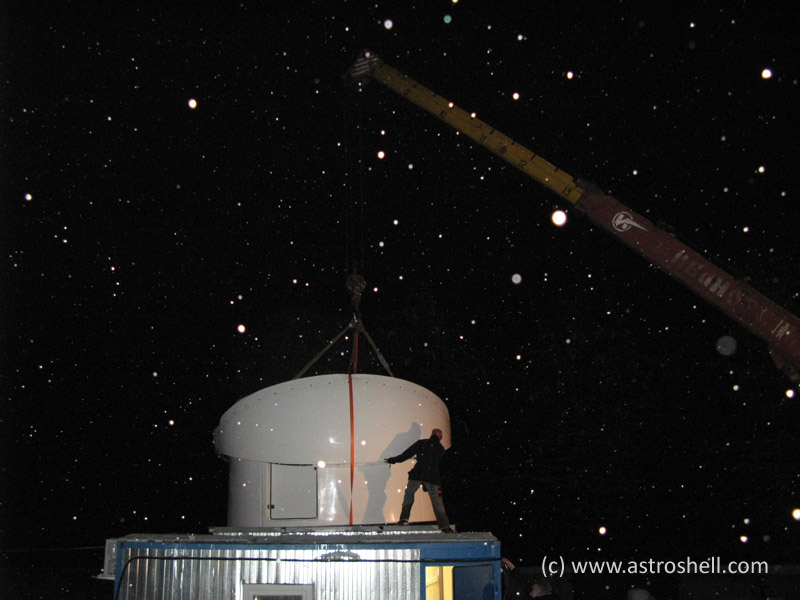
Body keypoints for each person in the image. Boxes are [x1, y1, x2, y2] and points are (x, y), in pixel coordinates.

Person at [385, 428, 454, 532]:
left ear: (431, 434)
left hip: (418, 474)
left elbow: (407, 454)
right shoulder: (441, 449)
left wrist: (394, 460)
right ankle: (444, 526)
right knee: (437, 502)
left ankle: (404, 519)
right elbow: (444, 467)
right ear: (440, 437)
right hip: (432, 478)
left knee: (409, 494)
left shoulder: (422, 443)